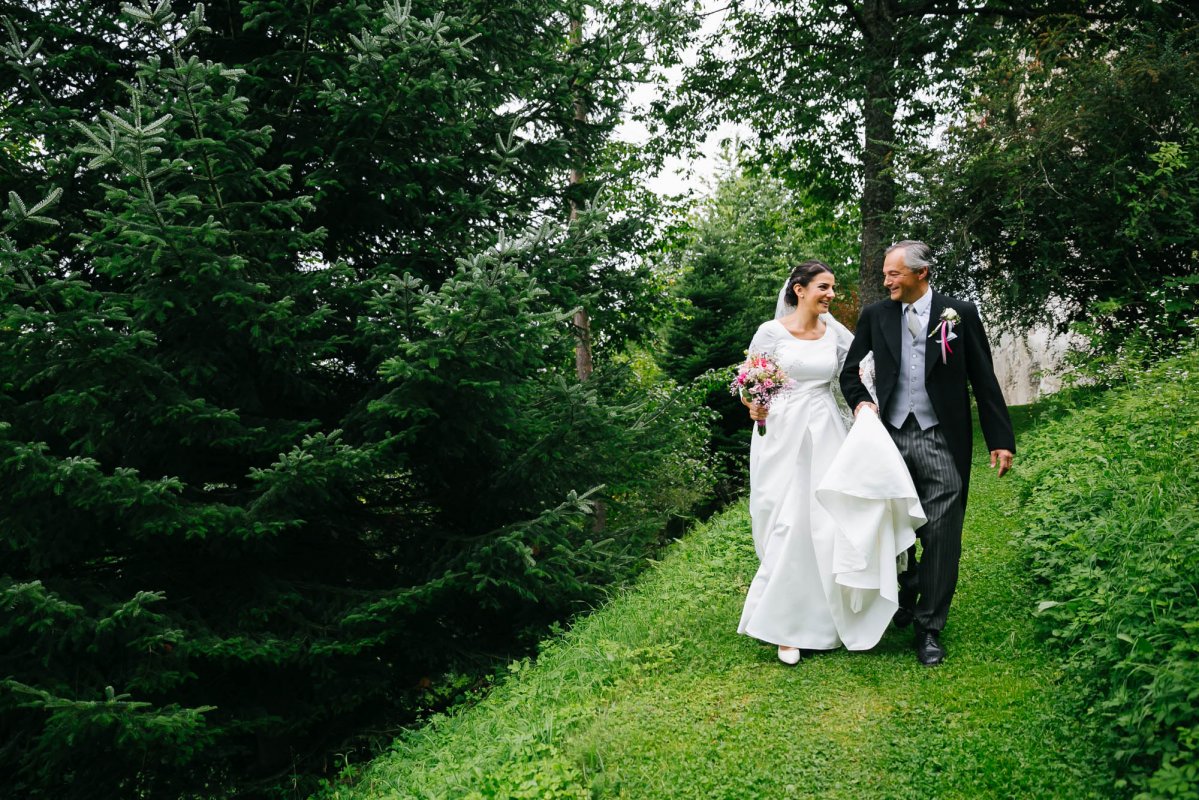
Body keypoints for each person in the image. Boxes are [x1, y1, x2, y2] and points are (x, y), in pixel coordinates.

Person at [738, 260, 925, 664]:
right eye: (824, 287)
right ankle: (786, 625)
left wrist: (871, 406)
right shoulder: (770, 333)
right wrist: (753, 404)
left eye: (833, 288)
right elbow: (749, 383)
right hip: (780, 436)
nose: (831, 295)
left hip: (824, 434)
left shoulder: (834, 333)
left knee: (822, 524)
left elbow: (863, 369)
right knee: (782, 523)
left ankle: (820, 619)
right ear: (799, 289)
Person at [839, 240, 1015, 666]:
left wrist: (1000, 439)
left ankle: (929, 628)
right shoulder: (876, 316)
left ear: (922, 273)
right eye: (885, 274)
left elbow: (983, 378)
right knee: (891, 524)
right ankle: (904, 584)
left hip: (941, 436)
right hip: (889, 438)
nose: (886, 281)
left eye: (893, 274)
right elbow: (849, 372)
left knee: (942, 532)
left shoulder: (960, 314)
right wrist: (863, 403)